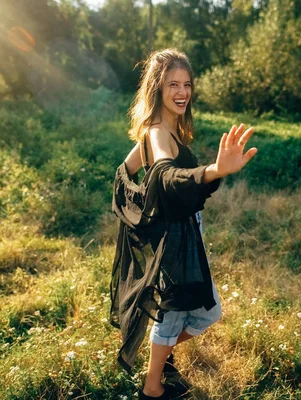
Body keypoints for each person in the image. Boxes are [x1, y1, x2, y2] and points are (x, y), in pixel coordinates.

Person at [109, 48, 257, 400]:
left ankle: (159, 360)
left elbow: (125, 172)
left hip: (182, 232)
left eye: (187, 84)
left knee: (184, 314)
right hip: (175, 241)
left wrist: (146, 208)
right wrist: (215, 170)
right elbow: (165, 176)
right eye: (173, 84)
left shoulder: (160, 129)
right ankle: (153, 386)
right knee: (196, 313)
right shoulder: (159, 132)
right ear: (157, 88)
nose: (182, 92)